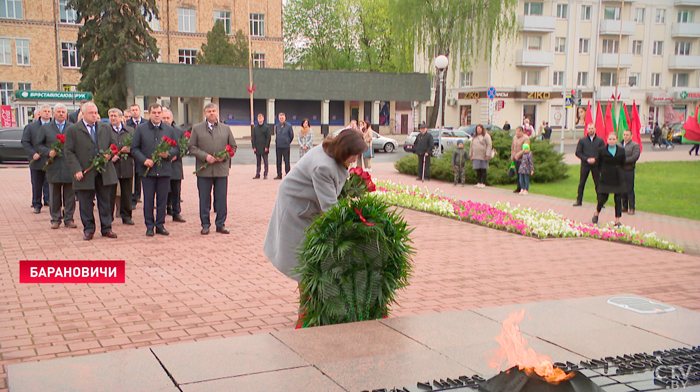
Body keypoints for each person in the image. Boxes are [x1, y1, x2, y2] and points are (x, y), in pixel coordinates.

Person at [264, 129, 367, 281]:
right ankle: (307, 300)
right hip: (296, 204)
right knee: (303, 261)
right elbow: (331, 208)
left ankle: (308, 296)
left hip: (306, 199)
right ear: (345, 150)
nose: (355, 159)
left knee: (308, 259)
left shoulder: (332, 149)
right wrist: (353, 228)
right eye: (354, 154)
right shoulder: (324, 167)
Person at [63, 102, 119, 240]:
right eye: (91, 113)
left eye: (96, 112)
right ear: (83, 114)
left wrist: (110, 154)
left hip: (103, 171)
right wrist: (76, 169)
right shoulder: (73, 130)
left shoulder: (105, 127)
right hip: (84, 172)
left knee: (105, 202)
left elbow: (114, 145)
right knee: (86, 202)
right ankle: (89, 229)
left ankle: (106, 228)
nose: (94, 115)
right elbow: (69, 152)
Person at [189, 102, 237, 235]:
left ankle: (220, 224)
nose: (212, 113)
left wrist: (225, 156)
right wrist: (205, 157)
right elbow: (192, 147)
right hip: (204, 170)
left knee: (221, 198)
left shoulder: (226, 129)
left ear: (217, 112)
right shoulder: (197, 129)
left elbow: (233, 147)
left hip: (221, 169)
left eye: (214, 111)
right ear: (205, 113)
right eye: (209, 111)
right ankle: (205, 224)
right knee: (204, 198)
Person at [132, 103, 179, 237]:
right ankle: (149, 226)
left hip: (164, 170)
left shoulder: (169, 129)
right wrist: (144, 160)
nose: (157, 115)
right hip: (148, 171)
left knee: (162, 200)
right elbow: (134, 149)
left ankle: (160, 225)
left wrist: (168, 154)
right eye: (154, 113)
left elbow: (177, 147)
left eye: (159, 113)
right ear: (149, 114)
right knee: (148, 200)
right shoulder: (141, 129)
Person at [35, 104, 76, 229]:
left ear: (66, 113)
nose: (61, 114)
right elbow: (38, 144)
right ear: (54, 113)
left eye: (63, 111)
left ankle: (69, 219)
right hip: (54, 165)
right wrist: (48, 152)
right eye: (58, 111)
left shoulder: (72, 127)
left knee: (70, 195)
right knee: (54, 194)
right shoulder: (46, 128)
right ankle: (56, 219)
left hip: (69, 166)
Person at [107, 108, 135, 225]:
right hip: (111, 166)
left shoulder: (130, 130)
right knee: (110, 193)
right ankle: (108, 217)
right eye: (111, 116)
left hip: (126, 165)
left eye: (115, 116)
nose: (113, 118)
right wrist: (109, 156)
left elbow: (137, 147)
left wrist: (130, 150)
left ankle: (126, 215)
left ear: (120, 117)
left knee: (127, 192)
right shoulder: (105, 130)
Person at [22, 104, 52, 213]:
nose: (47, 113)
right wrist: (33, 153)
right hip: (37, 160)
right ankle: (37, 204)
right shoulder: (31, 127)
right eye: (45, 111)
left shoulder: (54, 126)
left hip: (51, 160)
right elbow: (25, 142)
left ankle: (49, 201)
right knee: (37, 183)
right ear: (39, 113)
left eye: (49, 111)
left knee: (50, 182)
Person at [592, 132, 627, 227]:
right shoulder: (602, 150)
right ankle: (596, 213)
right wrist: (602, 171)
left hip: (617, 177)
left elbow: (623, 163)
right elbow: (598, 164)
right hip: (606, 176)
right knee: (602, 198)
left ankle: (617, 220)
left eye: (613, 139)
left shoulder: (621, 150)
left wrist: (619, 170)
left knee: (618, 198)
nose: (611, 141)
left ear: (616, 140)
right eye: (610, 139)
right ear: (607, 140)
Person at [162, 108, 186, 223]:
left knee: (176, 190)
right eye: (164, 118)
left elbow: (184, 147)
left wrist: (177, 155)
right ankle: (164, 211)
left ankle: (176, 212)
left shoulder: (179, 131)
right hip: (162, 165)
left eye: (168, 118)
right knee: (164, 190)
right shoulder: (158, 130)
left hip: (175, 165)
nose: (166, 120)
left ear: (172, 118)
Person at [573, 124, 605, 206]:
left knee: (598, 183)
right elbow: (578, 152)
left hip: (596, 165)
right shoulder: (582, 140)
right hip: (585, 165)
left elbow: (602, 152)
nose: (591, 130)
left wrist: (595, 159)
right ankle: (579, 200)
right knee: (582, 182)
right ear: (587, 129)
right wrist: (586, 159)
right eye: (589, 128)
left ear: (595, 129)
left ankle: (600, 201)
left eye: (592, 128)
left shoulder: (600, 141)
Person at [126, 104, 144, 208]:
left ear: (140, 111)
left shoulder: (146, 123)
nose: (135, 112)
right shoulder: (127, 124)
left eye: (136, 109)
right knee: (134, 177)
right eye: (132, 110)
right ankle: (133, 199)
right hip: (132, 156)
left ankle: (139, 195)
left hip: (144, 155)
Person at [620, 129, 640, 215]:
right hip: (620, 170)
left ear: (631, 136)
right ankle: (624, 206)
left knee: (629, 189)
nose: (625, 136)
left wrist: (623, 160)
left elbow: (634, 157)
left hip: (629, 170)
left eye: (627, 135)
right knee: (622, 189)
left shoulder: (635, 145)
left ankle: (632, 208)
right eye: (624, 134)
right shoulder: (619, 145)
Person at [470, 124, 492, 188]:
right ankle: (479, 182)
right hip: (476, 155)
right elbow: (471, 146)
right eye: (477, 129)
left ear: (482, 129)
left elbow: (489, 145)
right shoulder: (474, 136)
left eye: (480, 128)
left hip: (483, 155)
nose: (478, 130)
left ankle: (483, 182)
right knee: (478, 169)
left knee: (483, 169)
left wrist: (488, 154)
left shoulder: (486, 136)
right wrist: (471, 154)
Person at [510, 126, 530, 193]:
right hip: (515, 158)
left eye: (519, 131)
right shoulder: (514, 138)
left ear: (522, 131)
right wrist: (512, 156)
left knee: (522, 173)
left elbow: (525, 149)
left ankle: (524, 187)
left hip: (522, 158)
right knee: (518, 173)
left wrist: (518, 155)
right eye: (516, 131)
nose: (517, 133)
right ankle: (518, 187)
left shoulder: (526, 138)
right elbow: (513, 147)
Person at [274, 112, 294, 179]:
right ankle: (279, 174)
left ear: (285, 118)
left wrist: (288, 142)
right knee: (278, 161)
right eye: (280, 118)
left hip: (286, 146)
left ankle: (288, 174)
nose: (281, 119)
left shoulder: (289, 126)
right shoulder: (277, 126)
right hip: (278, 146)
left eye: (282, 117)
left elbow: (291, 136)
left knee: (286, 161)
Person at [252, 113, 271, 179]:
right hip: (257, 147)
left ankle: (265, 174)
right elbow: (253, 137)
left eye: (261, 117)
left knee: (265, 161)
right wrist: (254, 146)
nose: (260, 119)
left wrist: (267, 146)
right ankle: (257, 174)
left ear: (263, 119)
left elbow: (268, 138)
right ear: (257, 119)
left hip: (264, 147)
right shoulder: (255, 128)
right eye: (259, 118)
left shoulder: (267, 128)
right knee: (258, 162)